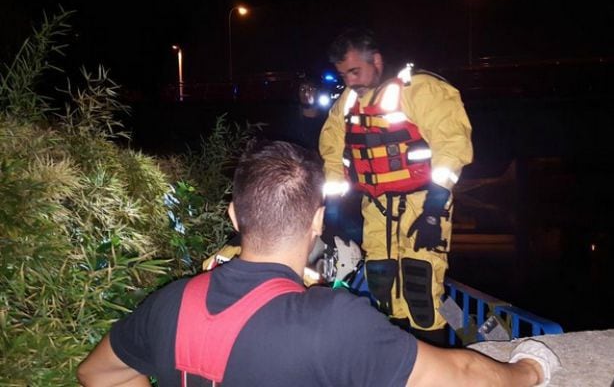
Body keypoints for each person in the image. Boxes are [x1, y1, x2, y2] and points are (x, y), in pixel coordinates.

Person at [77, 140, 560, 387]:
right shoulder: (331, 321)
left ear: (233, 215)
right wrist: (527, 370)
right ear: (317, 220)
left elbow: (96, 373)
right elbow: (463, 378)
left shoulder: (170, 303)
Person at [318, 28, 473, 344]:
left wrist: (434, 209)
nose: (349, 81)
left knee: (422, 284)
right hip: (375, 209)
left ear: (376, 60)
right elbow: (332, 154)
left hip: (423, 204)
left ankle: (435, 355)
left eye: (354, 71)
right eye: (344, 74)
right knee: (381, 283)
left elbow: (453, 145)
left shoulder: (421, 90)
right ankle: (399, 357)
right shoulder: (346, 104)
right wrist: (332, 215)